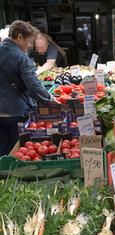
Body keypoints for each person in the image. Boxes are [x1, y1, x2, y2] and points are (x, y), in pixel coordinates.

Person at [0, 20, 58, 156]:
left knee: (3, 152)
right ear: (19, 37)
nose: (30, 46)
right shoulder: (21, 58)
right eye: (29, 42)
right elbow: (33, 85)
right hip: (15, 111)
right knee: (18, 153)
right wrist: (50, 98)